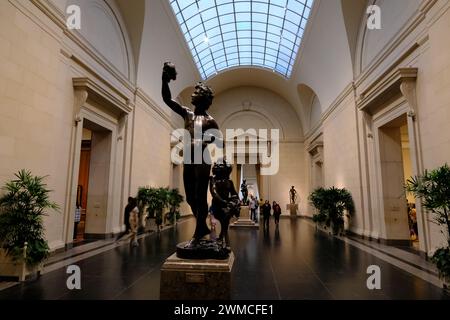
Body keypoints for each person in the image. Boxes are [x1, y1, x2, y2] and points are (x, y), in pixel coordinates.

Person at [162, 62, 219, 247]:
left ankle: (197, 232)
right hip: (188, 158)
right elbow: (167, 99)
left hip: (202, 159)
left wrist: (202, 141)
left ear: (204, 99)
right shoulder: (187, 114)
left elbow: (219, 141)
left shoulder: (210, 121)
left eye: (197, 93)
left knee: (200, 196)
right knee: (190, 198)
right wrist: (165, 80)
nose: (193, 95)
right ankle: (202, 226)